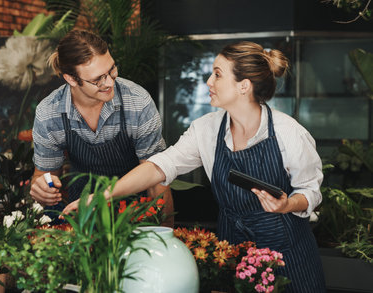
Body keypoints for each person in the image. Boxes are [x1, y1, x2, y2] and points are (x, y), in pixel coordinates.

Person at [63, 41, 326, 292]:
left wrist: (287, 205)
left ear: (243, 86)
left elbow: (310, 192)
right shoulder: (207, 130)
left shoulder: (289, 133)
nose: (209, 82)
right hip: (233, 251)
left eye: (218, 74)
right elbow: (159, 167)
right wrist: (101, 196)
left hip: (288, 254)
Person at [30, 29, 173, 225]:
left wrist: (164, 237)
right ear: (71, 79)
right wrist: (42, 188)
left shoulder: (138, 102)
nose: (109, 82)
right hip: (82, 214)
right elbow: (44, 175)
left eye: (112, 70)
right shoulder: (49, 113)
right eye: (98, 79)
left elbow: (157, 177)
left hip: (135, 212)